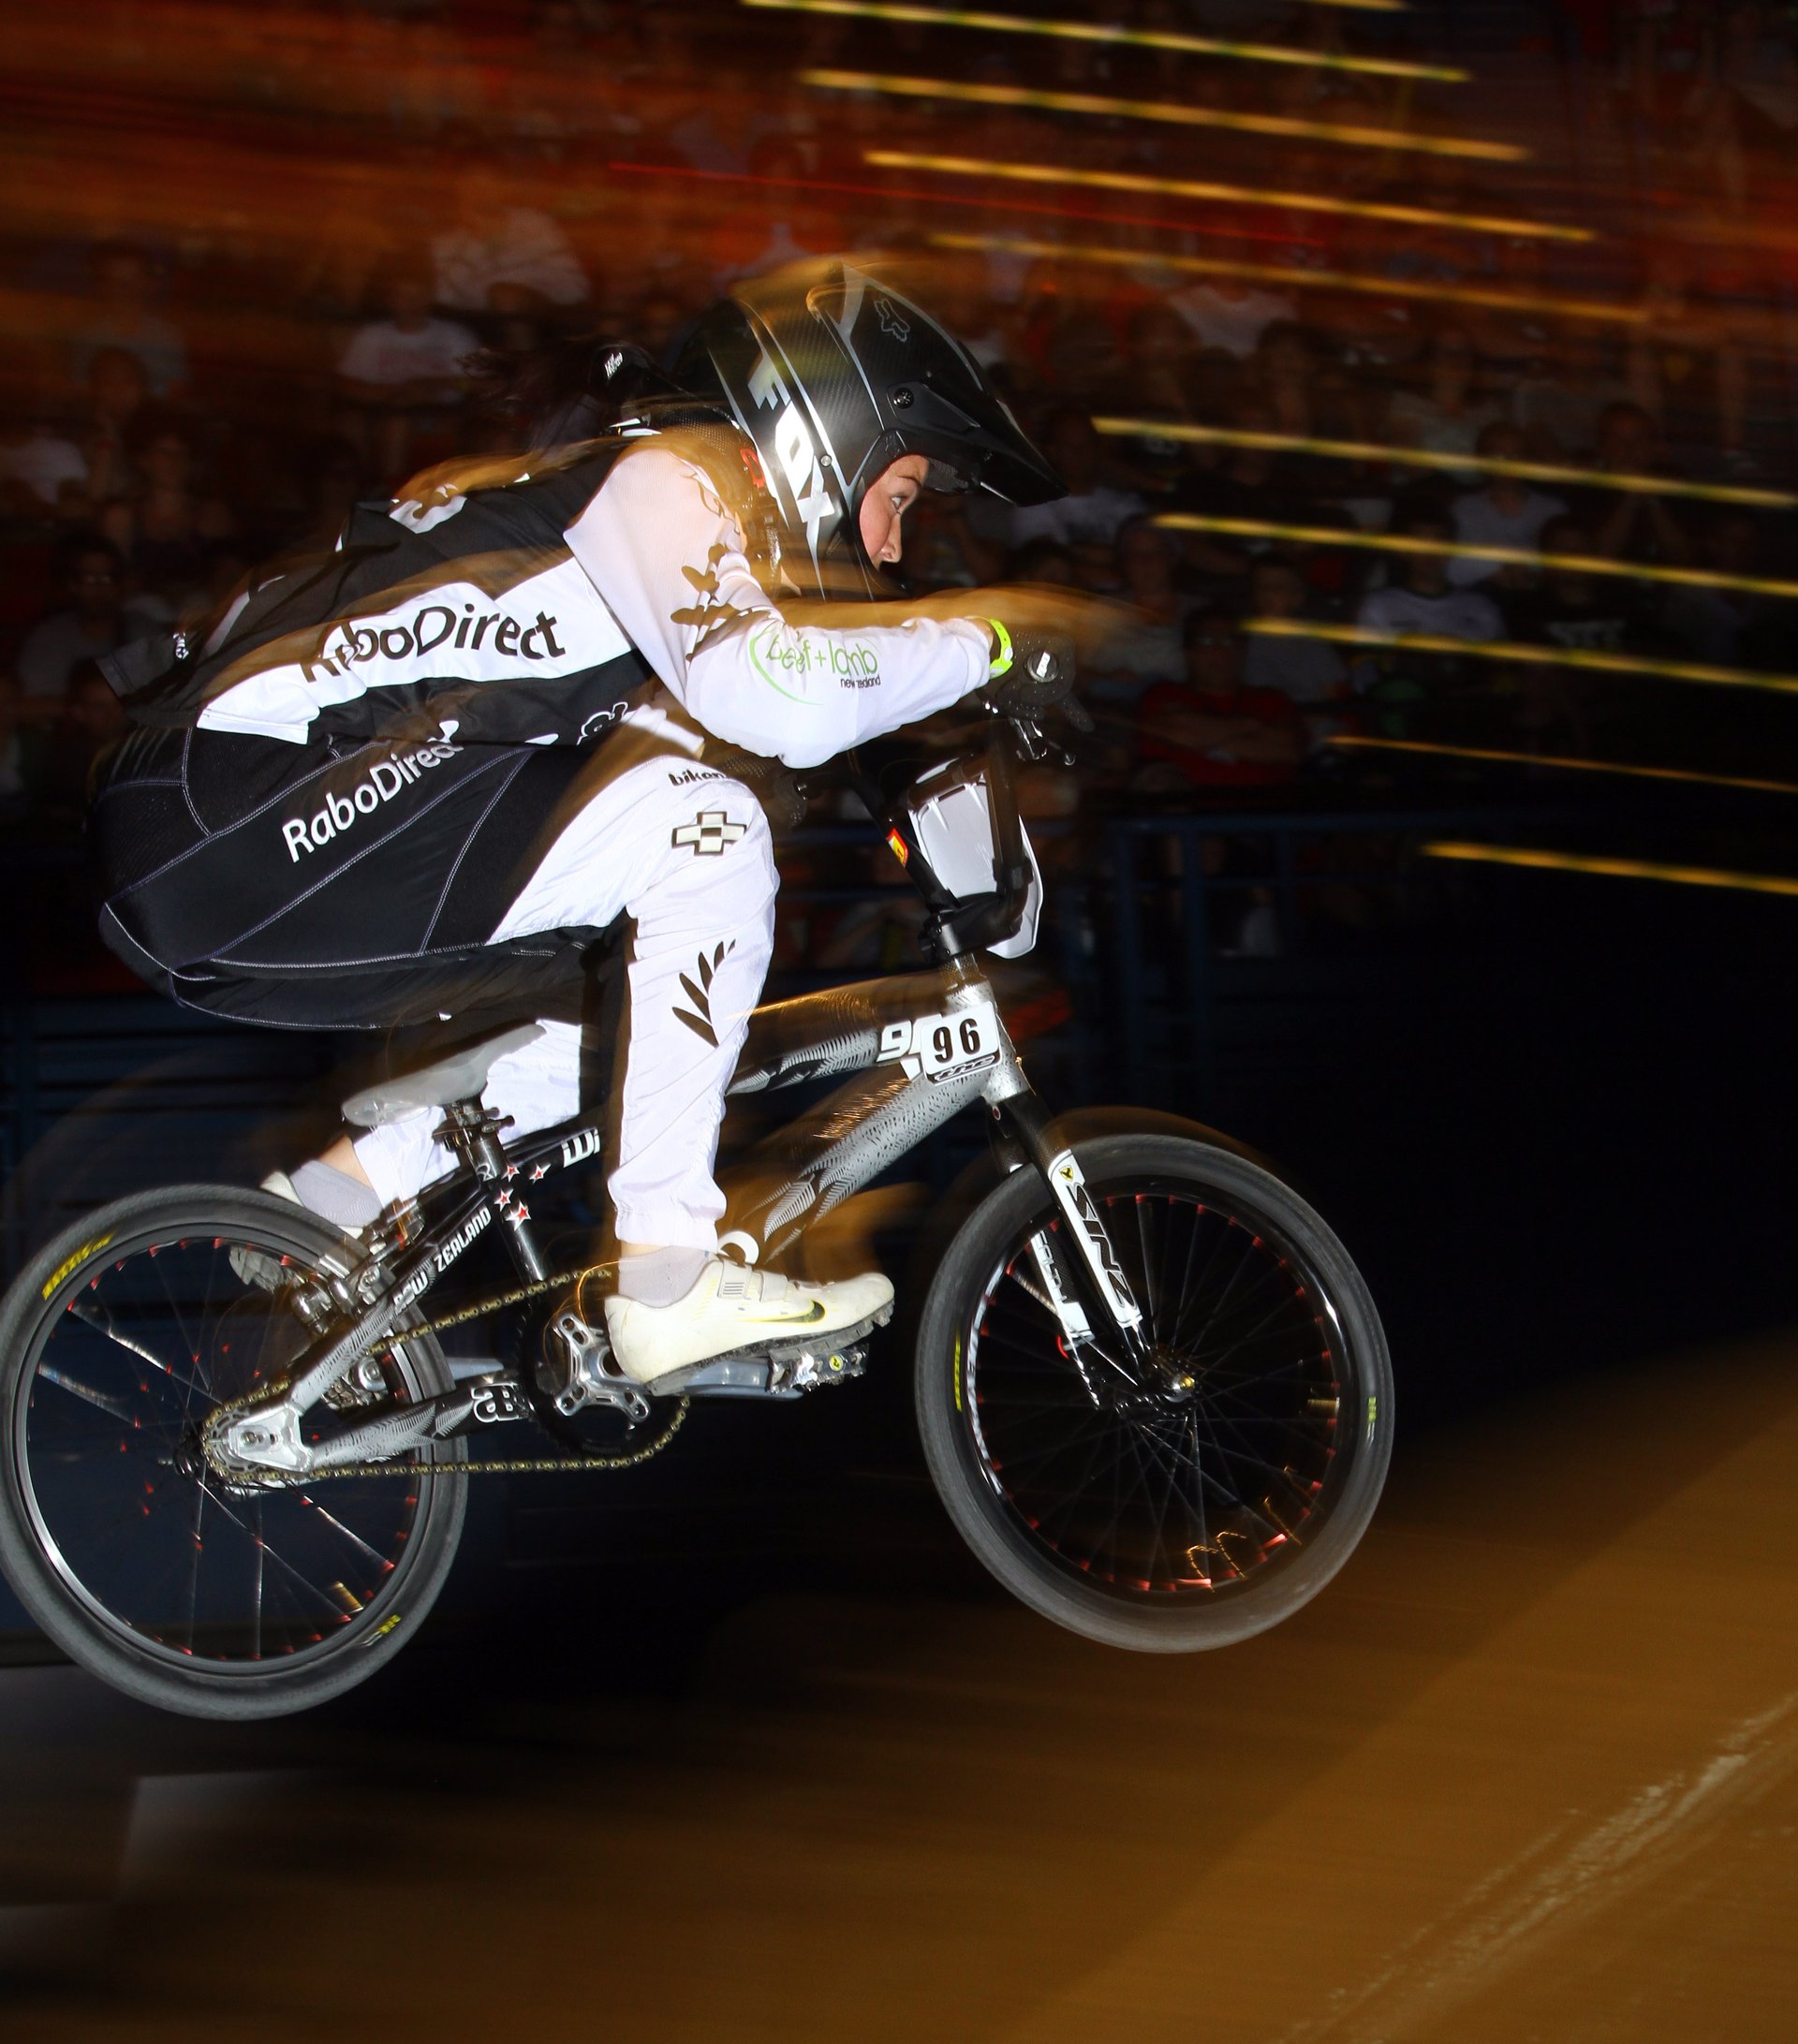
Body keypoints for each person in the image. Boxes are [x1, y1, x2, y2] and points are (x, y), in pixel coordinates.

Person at [89, 263, 1069, 1387]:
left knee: (644, 957)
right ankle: (668, 1280)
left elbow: (752, 714)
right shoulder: (668, 475)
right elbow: (772, 691)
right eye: (899, 494)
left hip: (219, 848)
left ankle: (343, 1195)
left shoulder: (623, 507)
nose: (894, 547)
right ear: (828, 432)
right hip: (238, 810)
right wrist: (986, 641)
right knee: (709, 830)